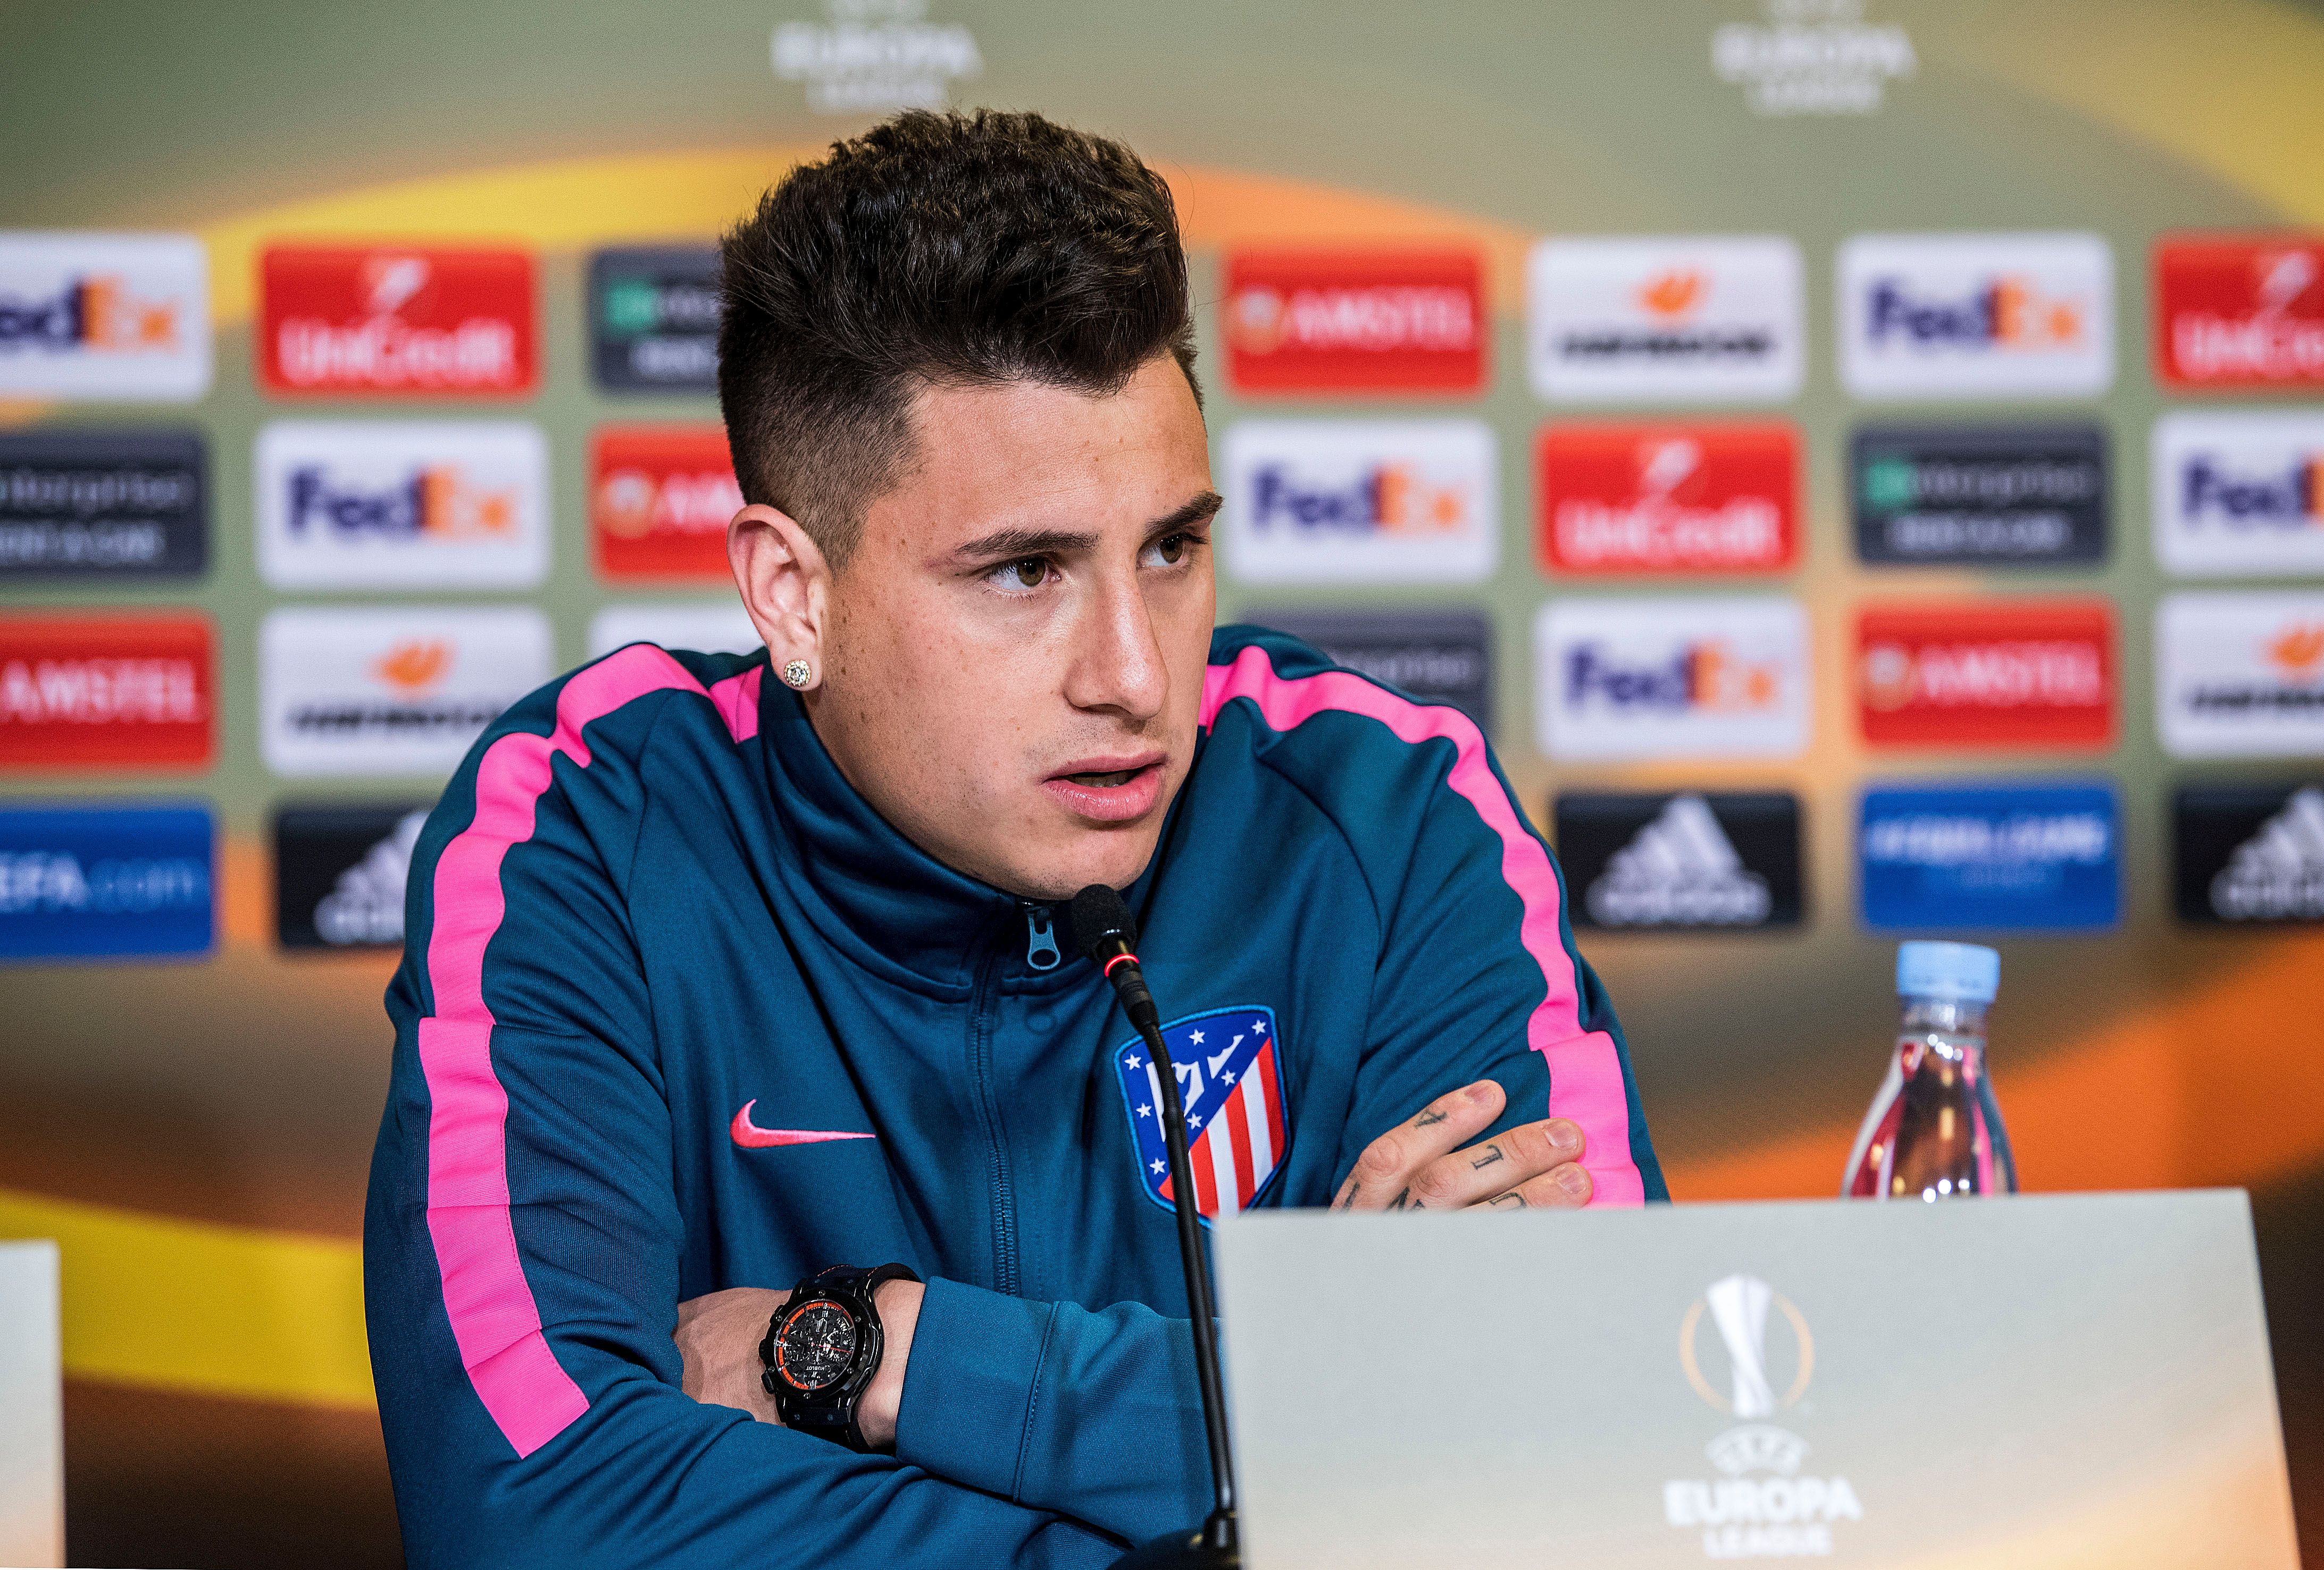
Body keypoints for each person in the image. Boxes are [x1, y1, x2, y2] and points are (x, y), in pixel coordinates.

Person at [364, 108, 1666, 1568]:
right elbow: (537, 1514)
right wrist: (1308, 1437)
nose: (1132, 671)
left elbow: (1602, 1451)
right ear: (792, 594)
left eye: (1170, 548)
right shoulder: (588, 826)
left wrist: (877, 1354)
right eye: (1026, 570)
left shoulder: (1384, 806)